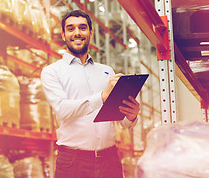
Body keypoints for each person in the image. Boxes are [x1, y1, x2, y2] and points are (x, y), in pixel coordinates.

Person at [40, 10, 140, 178]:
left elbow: (120, 120)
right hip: (73, 161)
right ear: (64, 35)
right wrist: (102, 97)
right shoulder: (52, 72)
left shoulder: (106, 72)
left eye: (82, 28)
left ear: (90, 33)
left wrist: (130, 116)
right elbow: (63, 109)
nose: (77, 33)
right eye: (71, 29)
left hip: (109, 158)